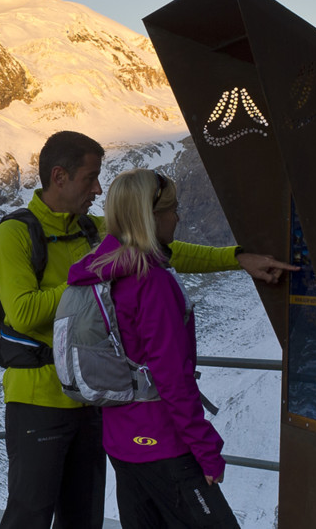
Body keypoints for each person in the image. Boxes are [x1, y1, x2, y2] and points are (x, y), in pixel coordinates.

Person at [0, 133, 294, 529]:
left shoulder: (96, 233)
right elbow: (23, 312)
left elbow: (164, 250)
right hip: (40, 399)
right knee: (29, 517)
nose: (98, 188)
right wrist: (97, 278)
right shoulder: (17, 233)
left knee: (83, 518)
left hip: (101, 400)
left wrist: (236, 258)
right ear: (59, 176)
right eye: (90, 178)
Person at [68, 169, 293, 528]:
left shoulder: (101, 271)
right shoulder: (151, 282)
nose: (177, 216)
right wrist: (205, 451)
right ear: (150, 217)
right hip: (164, 442)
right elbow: (172, 377)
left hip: (121, 441)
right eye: (171, 209)